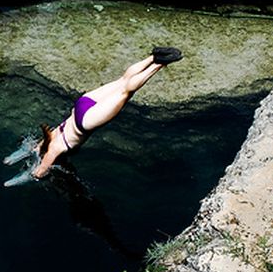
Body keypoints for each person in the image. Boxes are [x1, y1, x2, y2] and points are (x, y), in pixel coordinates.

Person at [31, 47, 182, 179]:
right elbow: (37, 148)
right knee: (122, 81)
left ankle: (160, 63)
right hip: (81, 105)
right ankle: (154, 56)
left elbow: (39, 172)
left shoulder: (54, 149)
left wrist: (38, 171)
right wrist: (36, 151)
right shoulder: (52, 135)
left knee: (125, 92)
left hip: (85, 122)